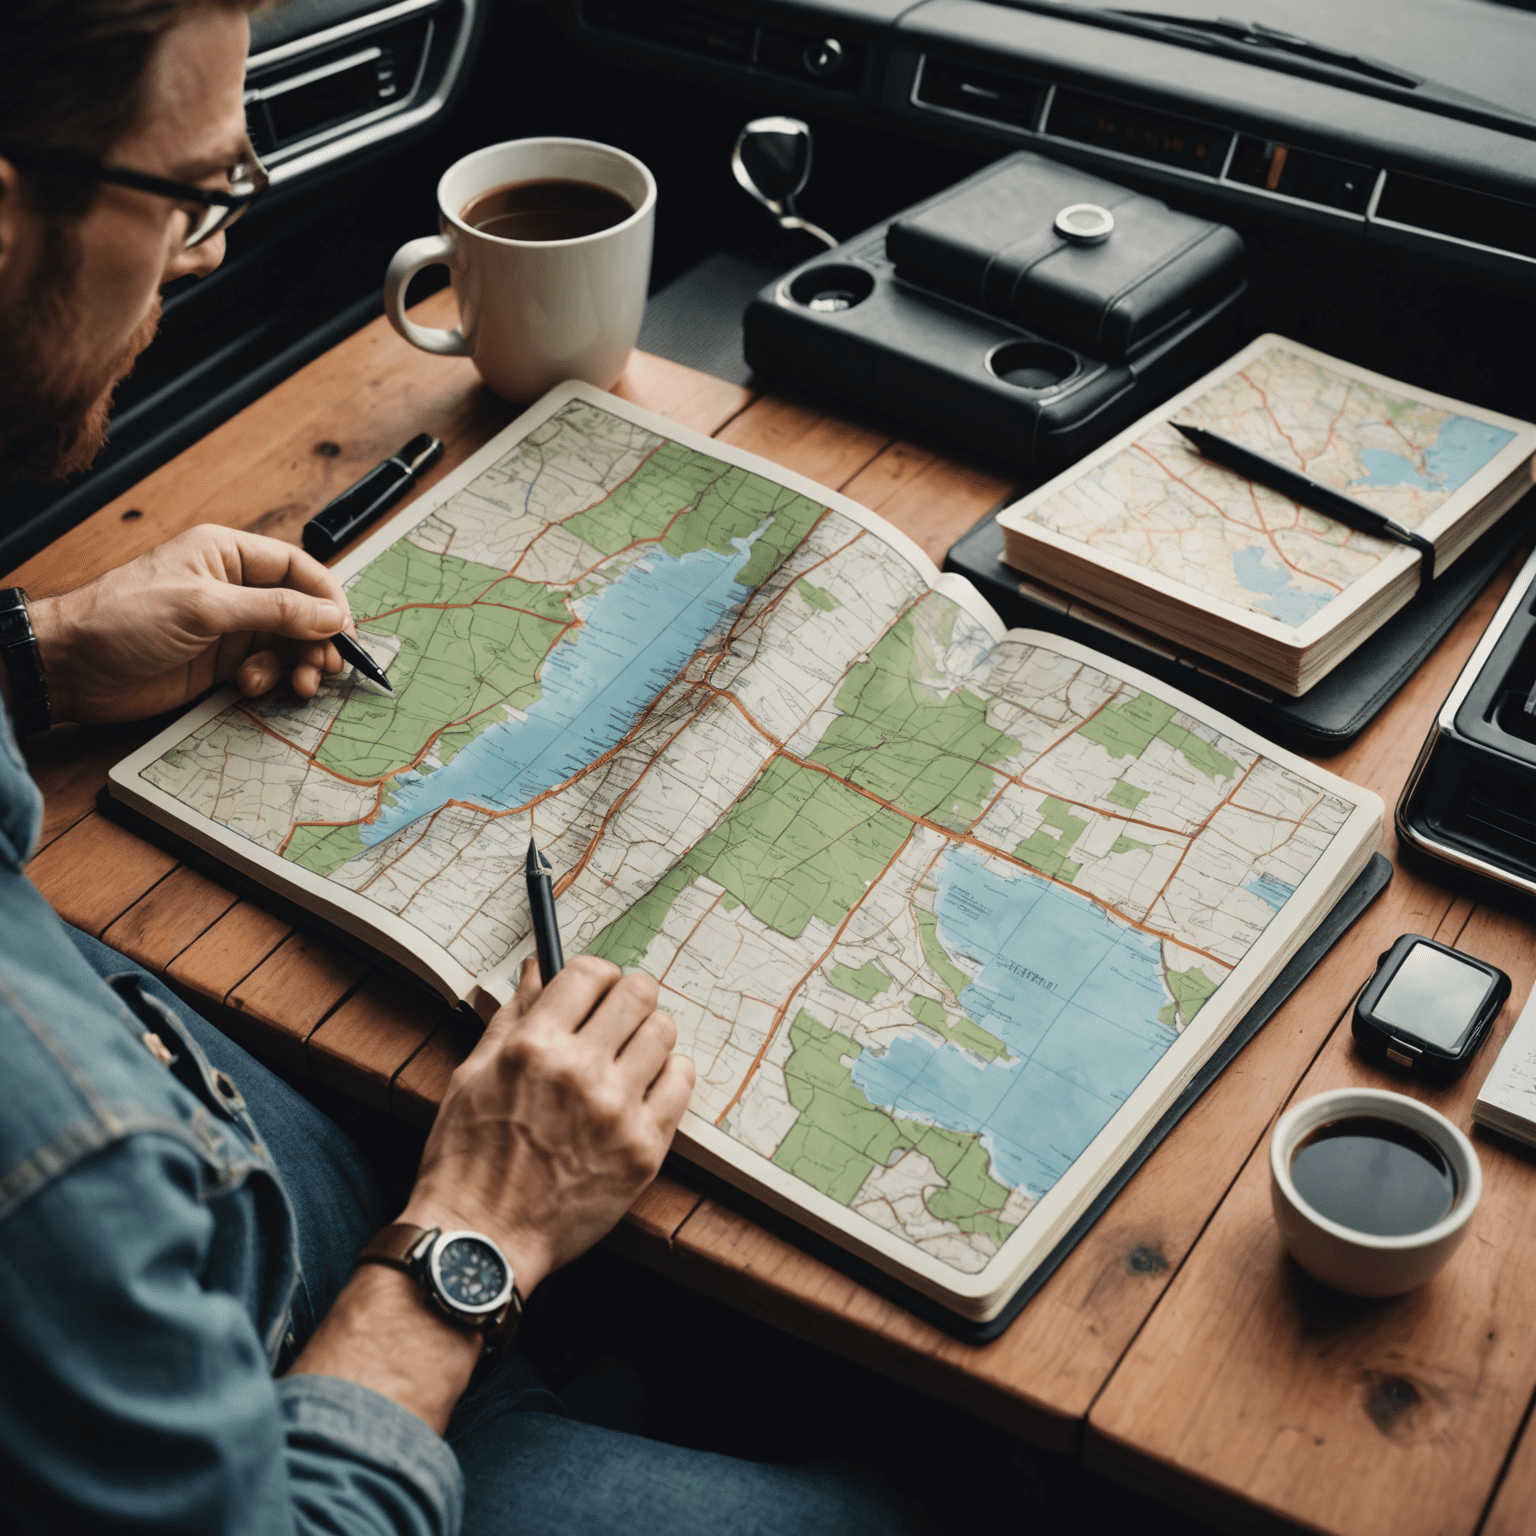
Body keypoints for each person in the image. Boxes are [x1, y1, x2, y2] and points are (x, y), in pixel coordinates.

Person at [0, 3, 928, 1531]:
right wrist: (471, 1236)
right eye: (192, 194)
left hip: (228, 1244)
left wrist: (31, 654)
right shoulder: (48, 1144)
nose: (212, 254)